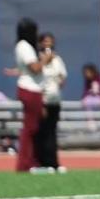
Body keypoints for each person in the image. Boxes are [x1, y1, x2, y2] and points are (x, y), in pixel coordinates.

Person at [12, 18, 48, 172]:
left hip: (31, 89)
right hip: (30, 89)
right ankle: (25, 164)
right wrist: (46, 60)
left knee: (32, 127)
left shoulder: (22, 46)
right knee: (30, 128)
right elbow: (35, 68)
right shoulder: (25, 46)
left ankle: (30, 162)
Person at [36, 33, 67, 172]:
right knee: (43, 132)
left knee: (52, 132)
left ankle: (54, 163)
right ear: (41, 43)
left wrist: (60, 82)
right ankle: (43, 163)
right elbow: (37, 80)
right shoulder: (37, 59)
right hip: (43, 100)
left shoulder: (57, 59)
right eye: (45, 41)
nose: (48, 44)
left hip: (55, 100)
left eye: (50, 41)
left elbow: (62, 77)